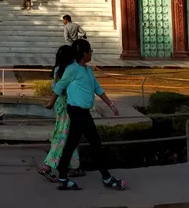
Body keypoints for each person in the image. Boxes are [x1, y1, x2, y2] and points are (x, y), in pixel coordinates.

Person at [46, 39, 126, 191]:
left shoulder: (88, 70)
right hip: (76, 111)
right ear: (84, 53)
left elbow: (97, 88)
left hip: (83, 111)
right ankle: (107, 178)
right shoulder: (72, 69)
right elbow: (60, 86)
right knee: (95, 143)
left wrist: (111, 104)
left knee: (71, 144)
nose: (91, 54)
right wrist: (51, 103)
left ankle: (63, 176)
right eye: (90, 51)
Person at [38, 45, 84, 182]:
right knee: (63, 136)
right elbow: (61, 89)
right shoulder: (69, 71)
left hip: (63, 106)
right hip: (68, 106)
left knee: (71, 136)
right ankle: (47, 166)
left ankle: (73, 166)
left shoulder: (58, 70)